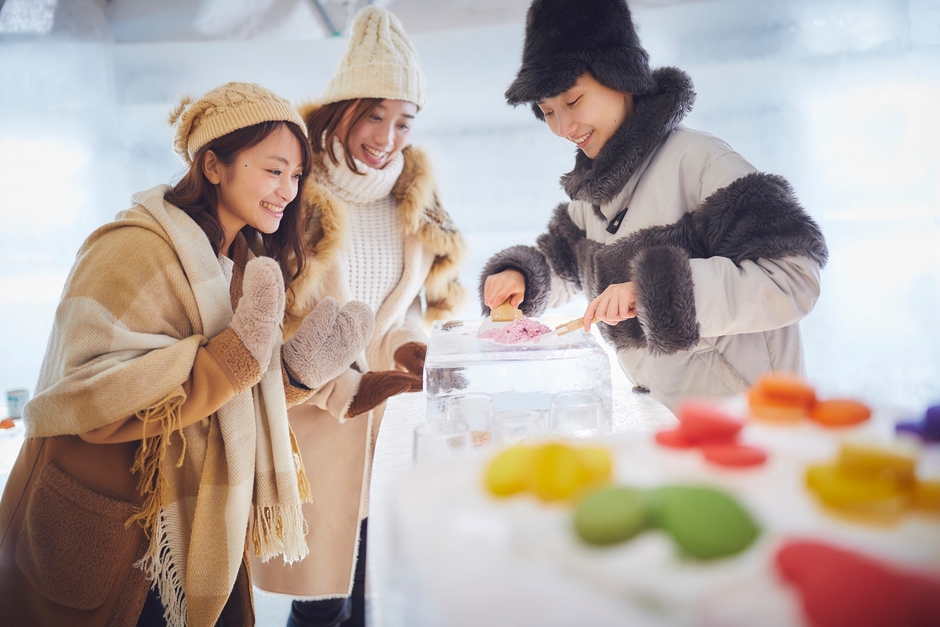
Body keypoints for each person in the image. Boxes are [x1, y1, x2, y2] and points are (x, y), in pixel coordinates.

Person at [0, 82, 374, 627]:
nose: (288, 190)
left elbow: (226, 395)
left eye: (296, 175)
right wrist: (234, 360)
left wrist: (290, 375)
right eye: (273, 170)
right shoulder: (130, 248)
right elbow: (90, 402)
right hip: (111, 525)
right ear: (214, 166)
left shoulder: (237, 262)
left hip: (192, 527)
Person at [481, 0, 829, 411]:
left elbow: (793, 279)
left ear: (621, 78)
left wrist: (656, 291)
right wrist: (519, 277)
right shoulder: (596, 192)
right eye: (547, 111)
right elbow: (561, 266)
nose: (562, 128)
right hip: (670, 427)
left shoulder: (700, 160)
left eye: (573, 102)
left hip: (755, 422)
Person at [251, 7, 468, 627]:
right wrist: (338, 382)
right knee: (320, 605)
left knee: (378, 595)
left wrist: (410, 350)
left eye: (405, 121)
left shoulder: (417, 202)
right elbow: (266, 318)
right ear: (343, 107)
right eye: (374, 115)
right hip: (316, 424)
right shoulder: (290, 192)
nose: (388, 137)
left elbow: (405, 312)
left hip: (389, 422)